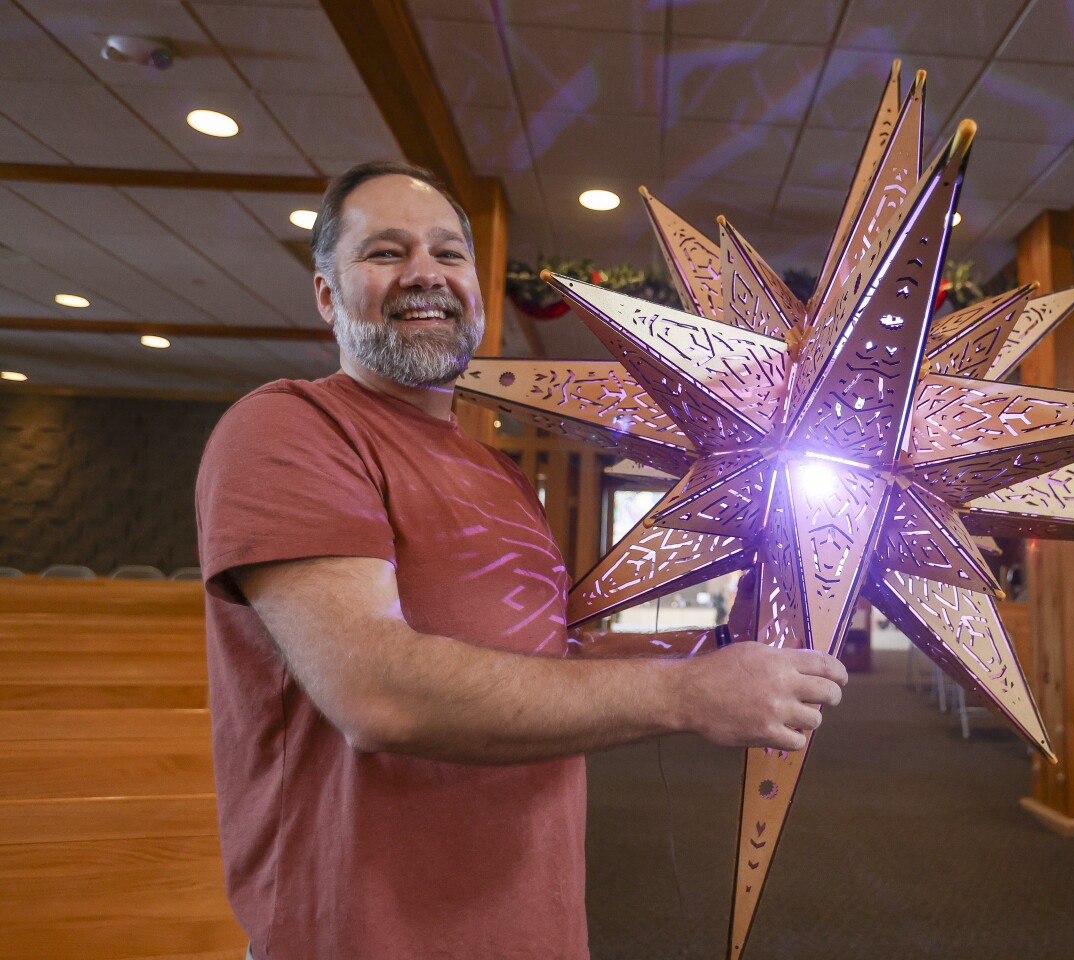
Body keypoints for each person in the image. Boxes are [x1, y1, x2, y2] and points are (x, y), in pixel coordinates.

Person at [195, 160, 847, 960]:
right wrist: (685, 694)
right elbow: (375, 691)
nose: (425, 273)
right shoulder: (290, 428)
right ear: (327, 294)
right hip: (363, 938)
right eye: (385, 252)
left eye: (448, 253)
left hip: (534, 929)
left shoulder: (498, 474)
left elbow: (550, 658)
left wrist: (718, 651)